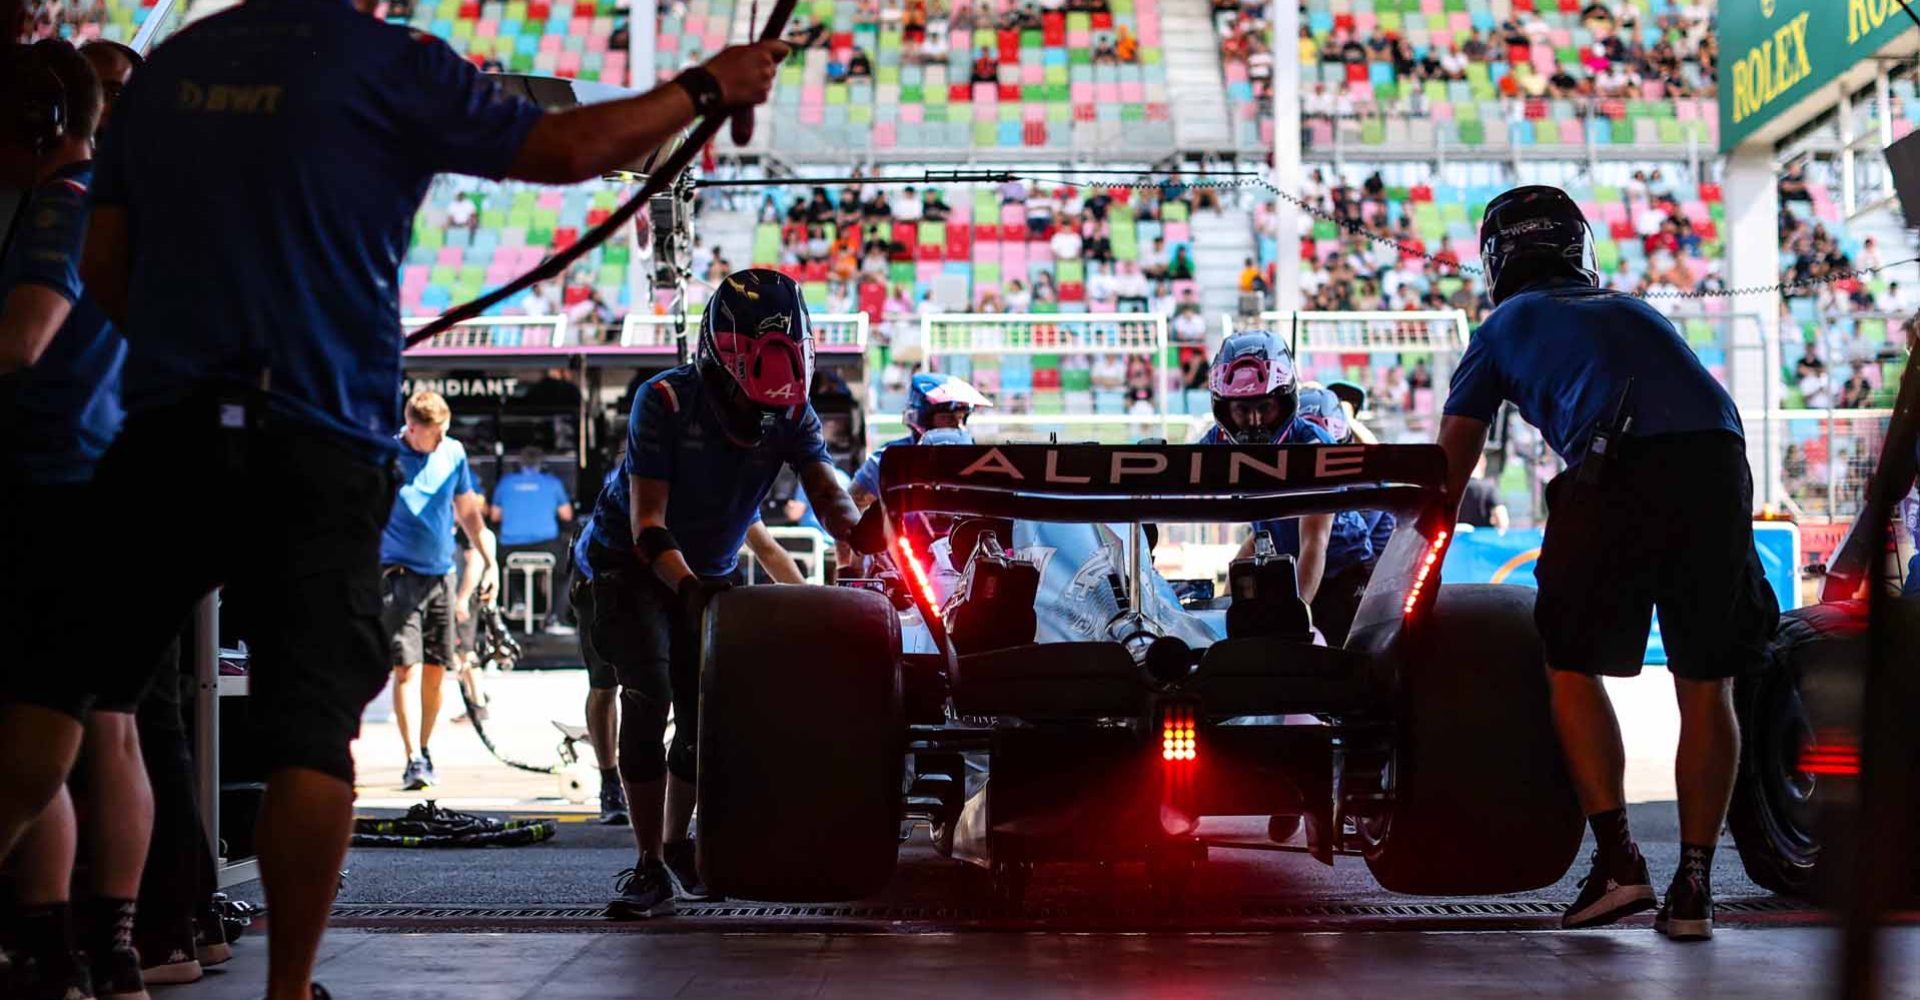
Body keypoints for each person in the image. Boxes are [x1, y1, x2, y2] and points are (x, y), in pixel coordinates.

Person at [75, 1, 787, 991]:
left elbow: (102, 267)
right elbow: (568, 145)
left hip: (167, 430)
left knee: (69, 699)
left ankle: (52, 935)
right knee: (313, 735)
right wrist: (708, 85)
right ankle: (286, 990)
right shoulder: (387, 60)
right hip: (316, 439)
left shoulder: (167, 64)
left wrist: (188, 355)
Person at [1437, 186, 1779, 941]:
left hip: (1616, 461)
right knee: (1706, 678)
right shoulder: (1634, 308)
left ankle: (1620, 865)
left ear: (1498, 262)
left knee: (1569, 661)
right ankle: (1694, 887)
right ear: (1578, 251)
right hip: (1719, 460)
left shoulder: (1500, 326)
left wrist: (1417, 552)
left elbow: (1451, 462)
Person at [583, 270, 883, 920]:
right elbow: (647, 525)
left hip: (705, 572)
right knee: (651, 693)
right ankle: (646, 864)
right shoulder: (661, 400)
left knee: (702, 715)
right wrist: (689, 591)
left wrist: (858, 528)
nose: (762, 414)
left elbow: (823, 485)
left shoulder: (792, 414)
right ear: (723, 359)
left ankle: (674, 846)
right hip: (627, 566)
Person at [0, 40, 156, 1000]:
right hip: (116, 487)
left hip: (54, 491)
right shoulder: (126, 199)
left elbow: (23, 337)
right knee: (105, 730)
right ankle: (96, 953)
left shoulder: (64, 204)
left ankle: (66, 950)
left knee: (45, 734)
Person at [379, 391, 493, 790]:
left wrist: (488, 561)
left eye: (445, 431)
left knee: (435, 670)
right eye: (435, 434)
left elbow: (468, 514)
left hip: (441, 574)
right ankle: (411, 757)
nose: (442, 439)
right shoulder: (387, 456)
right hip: (398, 574)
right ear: (412, 428)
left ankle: (425, 749)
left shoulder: (453, 453)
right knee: (405, 668)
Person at [1196, 332, 1339, 610]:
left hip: (1339, 571)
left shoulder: (1314, 446)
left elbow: (1315, 541)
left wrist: (1299, 612)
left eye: (1264, 407)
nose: (1254, 421)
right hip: (1282, 566)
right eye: (1242, 409)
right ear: (1224, 409)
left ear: (1285, 402)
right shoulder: (1217, 441)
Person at [848, 371, 993, 512]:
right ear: (922, 418)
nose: (958, 426)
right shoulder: (890, 460)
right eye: (948, 418)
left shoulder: (976, 460)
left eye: (961, 418)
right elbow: (850, 505)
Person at [489, 445, 575, 627]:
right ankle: (555, 617)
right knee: (566, 569)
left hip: (510, 547)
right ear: (541, 465)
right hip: (546, 547)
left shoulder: (506, 482)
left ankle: (517, 602)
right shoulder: (552, 483)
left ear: (519, 464)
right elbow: (566, 515)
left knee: (503, 564)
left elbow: (495, 515)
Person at [1456, 453, 1509, 530]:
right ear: (1483, 463)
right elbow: (1502, 519)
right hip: (1482, 539)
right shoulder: (1490, 488)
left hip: (1456, 540)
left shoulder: (1453, 489)